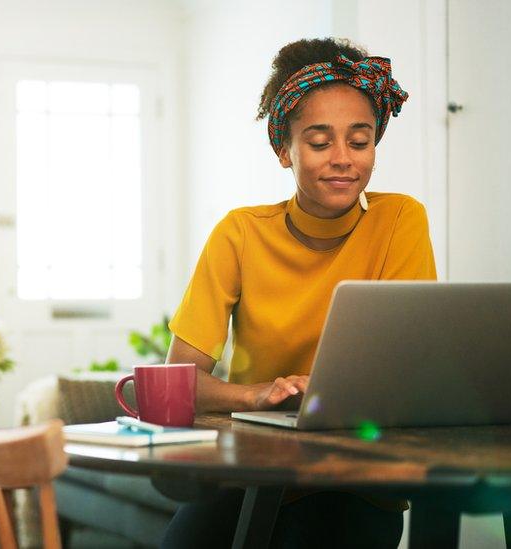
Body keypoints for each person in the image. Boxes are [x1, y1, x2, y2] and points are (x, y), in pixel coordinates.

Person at [161, 37, 436, 548]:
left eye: (359, 141)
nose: (342, 160)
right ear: (282, 150)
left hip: (354, 477)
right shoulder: (239, 234)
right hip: (251, 470)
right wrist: (257, 395)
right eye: (319, 142)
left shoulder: (401, 220)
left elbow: (407, 369)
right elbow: (180, 381)